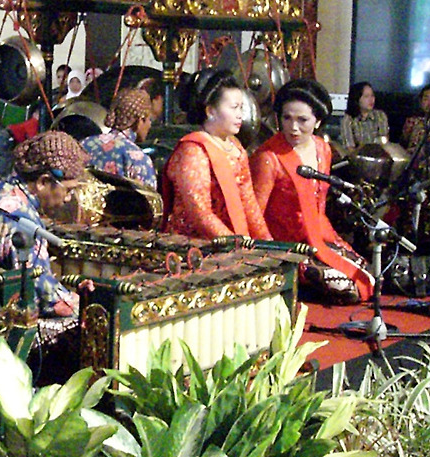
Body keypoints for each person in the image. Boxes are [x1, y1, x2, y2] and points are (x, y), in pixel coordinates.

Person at [251, 80, 373, 304]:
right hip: (285, 243)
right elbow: (254, 214)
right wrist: (275, 257)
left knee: (367, 277)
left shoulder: (322, 148)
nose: (293, 127)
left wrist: (331, 242)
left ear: (317, 121)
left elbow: (320, 205)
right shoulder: (268, 157)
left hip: (317, 233)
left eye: (302, 120)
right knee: (346, 288)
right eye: (287, 118)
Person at [0, 131, 87, 318]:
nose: (68, 199)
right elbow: (41, 292)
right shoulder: (20, 218)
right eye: (68, 190)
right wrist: (79, 301)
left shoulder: (0, 190)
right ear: (43, 182)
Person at [162, 70, 272, 240]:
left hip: (231, 241)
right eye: (234, 108)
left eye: (241, 108)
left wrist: (267, 242)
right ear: (211, 111)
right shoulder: (193, 151)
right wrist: (235, 244)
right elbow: (200, 213)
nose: (240, 115)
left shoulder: (235, 147)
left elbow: (249, 204)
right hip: (193, 246)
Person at [80, 87, 158, 188]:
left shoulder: (85, 144)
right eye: (149, 119)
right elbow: (150, 200)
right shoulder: (138, 158)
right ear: (139, 121)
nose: (149, 125)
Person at [340, 81, 389, 148]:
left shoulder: (380, 116)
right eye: (366, 96)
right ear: (357, 99)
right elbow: (349, 148)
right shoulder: (348, 120)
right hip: (357, 156)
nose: (371, 99)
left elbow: (384, 142)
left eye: (372, 96)